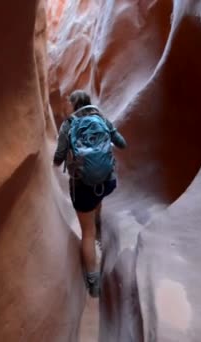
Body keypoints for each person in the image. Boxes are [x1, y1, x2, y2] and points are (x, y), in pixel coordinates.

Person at [53, 90, 127, 297]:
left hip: (82, 186)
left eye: (69, 102)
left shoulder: (69, 124)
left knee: (87, 233)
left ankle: (93, 284)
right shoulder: (101, 117)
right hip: (106, 181)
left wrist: (56, 164)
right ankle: (100, 228)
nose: (66, 105)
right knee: (97, 201)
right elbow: (121, 143)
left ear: (74, 104)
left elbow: (59, 156)